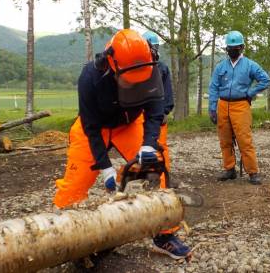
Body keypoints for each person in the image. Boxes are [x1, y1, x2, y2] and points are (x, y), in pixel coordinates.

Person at [53, 29, 191, 260]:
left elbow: (155, 111)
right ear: (110, 63)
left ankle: (164, 234)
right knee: (73, 186)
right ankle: (65, 238)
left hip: (130, 124)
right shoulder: (90, 78)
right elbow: (90, 127)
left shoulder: (151, 69)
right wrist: (105, 166)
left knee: (158, 168)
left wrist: (148, 145)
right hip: (95, 128)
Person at [208, 30, 270, 185]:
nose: (233, 50)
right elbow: (213, 87)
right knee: (225, 139)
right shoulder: (221, 66)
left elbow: (265, 80)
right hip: (223, 105)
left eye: (236, 47)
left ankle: (253, 172)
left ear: (242, 47)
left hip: (241, 105)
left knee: (244, 140)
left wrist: (250, 92)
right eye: (230, 48)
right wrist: (212, 107)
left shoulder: (250, 65)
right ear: (226, 49)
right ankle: (229, 169)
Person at [142, 30, 174, 176]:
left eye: (156, 47)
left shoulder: (162, 68)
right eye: (151, 47)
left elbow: (167, 91)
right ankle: (141, 175)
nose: (154, 50)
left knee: (160, 145)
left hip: (158, 113)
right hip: (139, 115)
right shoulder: (135, 68)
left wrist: (166, 111)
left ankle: (163, 179)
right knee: (139, 145)